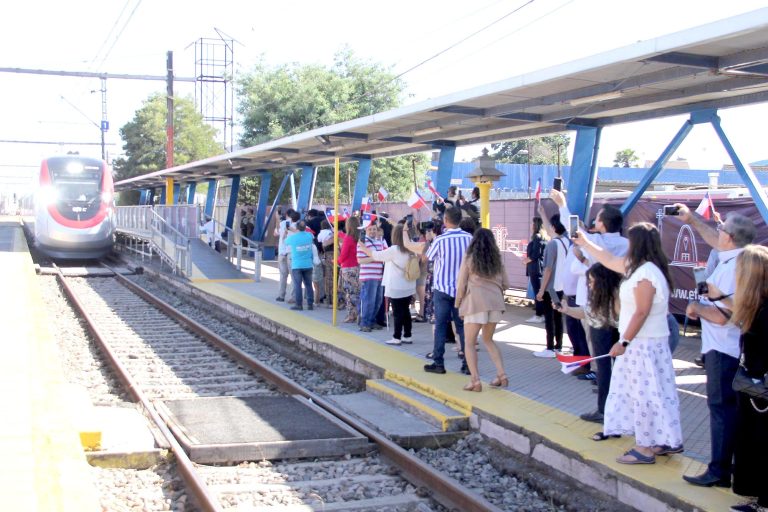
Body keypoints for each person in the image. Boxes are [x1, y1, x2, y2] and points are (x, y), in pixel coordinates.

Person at [574, 222, 682, 465]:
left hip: (643, 345)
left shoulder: (646, 273)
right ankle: (661, 440)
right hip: (646, 343)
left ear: (638, 243)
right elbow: (609, 259)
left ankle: (644, 448)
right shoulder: (642, 269)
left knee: (643, 395)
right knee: (654, 394)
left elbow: (641, 312)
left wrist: (623, 341)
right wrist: (585, 242)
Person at [675, 205, 756, 488]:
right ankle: (726, 467)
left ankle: (719, 469)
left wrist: (698, 307)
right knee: (725, 410)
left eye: (721, 229)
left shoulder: (735, 266)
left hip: (724, 348)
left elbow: (728, 316)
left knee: (721, 410)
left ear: (730, 237)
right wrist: (693, 219)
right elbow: (712, 237)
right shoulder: (734, 258)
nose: (717, 232)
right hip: (723, 348)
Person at [552, 189, 629, 423]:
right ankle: (624, 407)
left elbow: (573, 229)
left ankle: (605, 410)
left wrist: (562, 204)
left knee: (603, 360)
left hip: (598, 307)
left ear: (603, 224)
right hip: (622, 307)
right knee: (623, 361)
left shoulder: (593, 241)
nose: (594, 221)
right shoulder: (627, 245)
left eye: (598, 219)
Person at [721, 245, 768, 512]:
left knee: (761, 443)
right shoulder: (757, 306)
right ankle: (758, 496)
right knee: (752, 441)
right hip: (753, 390)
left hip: (761, 390)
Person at [557, 263, 622, 438]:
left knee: (605, 369)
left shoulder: (615, 295)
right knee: (609, 371)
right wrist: (567, 310)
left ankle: (604, 411)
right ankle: (608, 411)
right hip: (610, 331)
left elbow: (592, 314)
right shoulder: (608, 294)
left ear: (603, 281)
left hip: (606, 331)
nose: (590, 285)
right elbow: (586, 312)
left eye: (592, 282)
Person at [455, 228, 510, 391]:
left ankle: (475, 381)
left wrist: (458, 303)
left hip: (475, 303)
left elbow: (461, 284)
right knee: (488, 339)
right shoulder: (497, 259)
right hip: (495, 304)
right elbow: (506, 283)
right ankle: (502, 375)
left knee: (469, 343)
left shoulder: (469, 258)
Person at [423, 207, 472, 375]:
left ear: (445, 220)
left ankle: (439, 362)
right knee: (462, 327)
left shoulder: (440, 240)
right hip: (462, 290)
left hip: (442, 289)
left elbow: (427, 258)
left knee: (440, 325)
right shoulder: (469, 238)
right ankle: (467, 364)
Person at [358, 223, 416, 345]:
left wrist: (363, 248)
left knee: (397, 312)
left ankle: (396, 337)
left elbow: (377, 256)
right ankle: (407, 335)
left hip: (396, 285)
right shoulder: (412, 248)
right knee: (405, 311)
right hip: (409, 284)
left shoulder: (394, 250)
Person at [533, 212, 570, 358]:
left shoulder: (552, 244)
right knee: (558, 317)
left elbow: (547, 268)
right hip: (564, 286)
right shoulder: (567, 242)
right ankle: (558, 347)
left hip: (551, 287)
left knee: (549, 316)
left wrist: (541, 290)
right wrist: (543, 213)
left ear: (553, 227)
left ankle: (549, 348)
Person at [357, 221, 386, 332]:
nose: (373, 231)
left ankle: (372, 321)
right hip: (368, 276)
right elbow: (360, 260)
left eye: (374, 229)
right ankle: (365, 323)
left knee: (377, 301)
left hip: (379, 276)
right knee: (368, 301)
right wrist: (375, 257)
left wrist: (377, 257)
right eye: (370, 229)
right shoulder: (362, 243)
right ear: (366, 230)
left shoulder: (379, 242)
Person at [284, 221, 315, 310]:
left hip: (297, 265)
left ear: (297, 228)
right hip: (308, 264)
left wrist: (288, 232)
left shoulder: (293, 238)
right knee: (309, 285)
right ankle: (310, 304)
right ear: (305, 227)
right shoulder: (309, 236)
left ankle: (299, 304)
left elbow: (285, 242)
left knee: (298, 285)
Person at [524, 217, 547, 324]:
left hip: (535, 268)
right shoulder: (543, 237)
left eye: (532, 223)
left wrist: (526, 260)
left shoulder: (537, 237)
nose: (530, 225)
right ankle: (542, 313)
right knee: (540, 291)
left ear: (535, 225)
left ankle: (539, 315)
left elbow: (535, 254)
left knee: (538, 292)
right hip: (538, 268)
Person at [338, 216, 360, 323]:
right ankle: (358, 313)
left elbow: (343, 255)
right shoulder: (360, 238)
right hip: (357, 267)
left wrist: (336, 261)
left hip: (348, 268)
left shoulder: (348, 238)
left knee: (349, 293)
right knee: (356, 292)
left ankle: (351, 315)